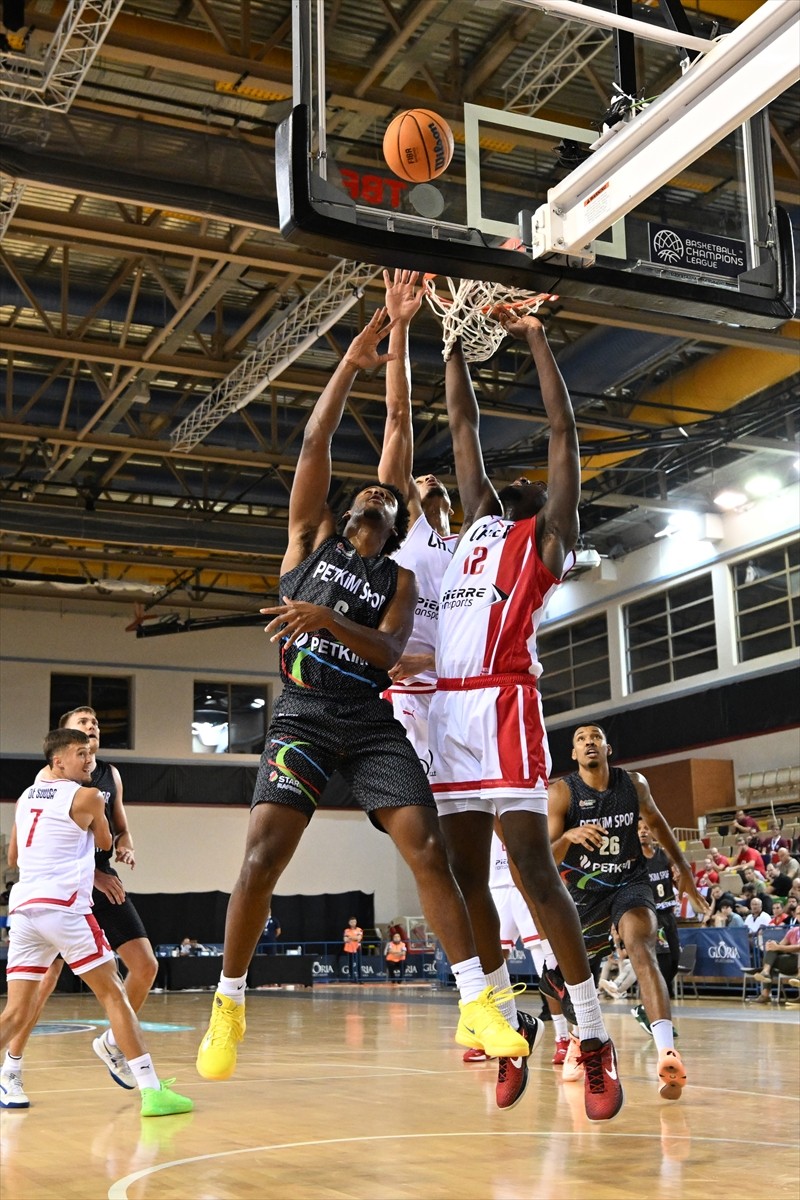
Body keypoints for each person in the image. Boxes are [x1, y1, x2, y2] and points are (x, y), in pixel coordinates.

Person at [195, 310, 529, 1084]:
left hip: (369, 721)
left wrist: (404, 335)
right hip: (304, 716)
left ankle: (475, 999)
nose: (378, 497)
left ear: (397, 514)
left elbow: (386, 650)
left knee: (428, 849)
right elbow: (315, 444)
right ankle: (230, 999)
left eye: (389, 495)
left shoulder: (400, 578)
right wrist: (349, 359)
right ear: (350, 513)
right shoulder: (310, 541)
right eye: (368, 497)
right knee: (260, 859)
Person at [427, 312, 622, 1123]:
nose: (508, 484)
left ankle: (595, 1030)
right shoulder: (475, 524)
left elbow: (562, 431)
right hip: (448, 713)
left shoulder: (543, 542)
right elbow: (463, 423)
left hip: (504, 703)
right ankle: (507, 1025)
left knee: (534, 875)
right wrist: (449, 344)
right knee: (464, 877)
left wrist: (536, 336)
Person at [0, 729, 192, 1117]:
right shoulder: (87, 796)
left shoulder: (24, 797)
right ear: (58, 761)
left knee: (16, 1012)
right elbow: (104, 842)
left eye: (90, 753)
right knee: (114, 994)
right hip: (65, 906)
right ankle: (152, 1091)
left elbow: (13, 857)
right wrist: (96, 823)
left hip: (23, 909)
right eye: (80, 753)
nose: (89, 760)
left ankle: (11, 1070)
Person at [548, 724, 709, 1102]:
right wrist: (567, 838)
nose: (589, 741)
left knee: (642, 946)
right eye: (581, 739)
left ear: (607, 748)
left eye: (595, 737)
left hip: (630, 883)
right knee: (577, 978)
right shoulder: (561, 793)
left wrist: (683, 868)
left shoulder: (633, 784)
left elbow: (656, 822)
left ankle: (667, 1051)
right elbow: (545, 855)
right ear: (574, 754)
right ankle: (576, 1038)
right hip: (586, 893)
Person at [376, 269, 456, 787]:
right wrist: (401, 326)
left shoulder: (476, 546)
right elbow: (398, 415)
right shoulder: (405, 530)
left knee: (474, 810)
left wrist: (429, 655)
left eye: (434, 476)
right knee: (418, 804)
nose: (425, 476)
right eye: (417, 477)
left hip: (459, 687)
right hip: (407, 694)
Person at [635, 820, 681, 1034]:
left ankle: (650, 1009)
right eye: (639, 829)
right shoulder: (634, 858)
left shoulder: (664, 856)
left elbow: (678, 877)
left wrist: (679, 877)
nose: (643, 831)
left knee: (674, 962)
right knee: (660, 965)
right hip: (651, 916)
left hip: (669, 913)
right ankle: (649, 1011)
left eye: (646, 828)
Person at [751, 925, 800, 1003]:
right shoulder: (793, 931)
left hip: (797, 962)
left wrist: (778, 947)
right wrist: (773, 946)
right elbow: (779, 947)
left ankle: (799, 976)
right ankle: (765, 974)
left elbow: (798, 947)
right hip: (791, 962)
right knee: (772, 948)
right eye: (798, 914)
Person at [342, 917, 364, 983]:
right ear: (349, 923)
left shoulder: (359, 930)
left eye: (354, 922)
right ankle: (352, 979)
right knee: (350, 964)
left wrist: (350, 938)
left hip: (357, 948)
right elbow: (345, 940)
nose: (353, 923)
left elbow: (359, 938)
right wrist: (354, 938)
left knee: (359, 963)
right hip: (349, 949)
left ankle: (360, 979)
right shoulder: (346, 930)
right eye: (352, 922)